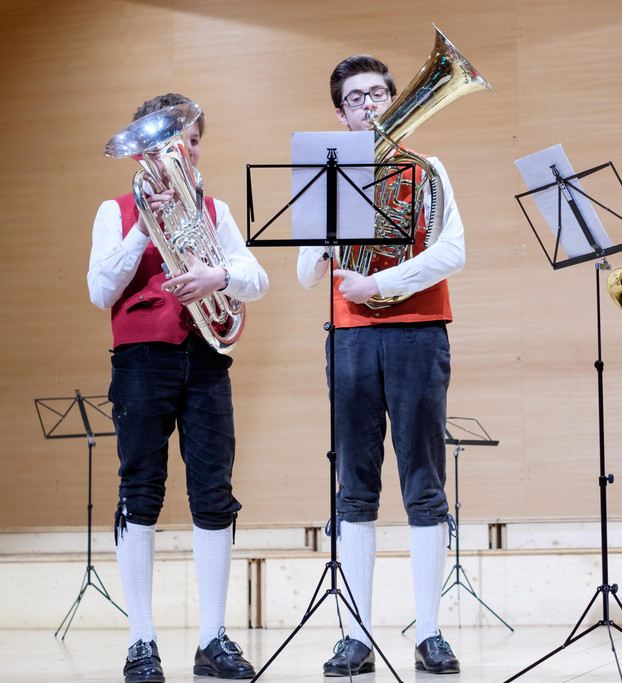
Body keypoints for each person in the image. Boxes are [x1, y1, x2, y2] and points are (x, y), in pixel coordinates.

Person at [88, 93, 268, 683]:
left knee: (214, 493)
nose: (184, 154)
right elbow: (99, 290)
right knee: (140, 491)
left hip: (207, 359)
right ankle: (141, 641)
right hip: (141, 359)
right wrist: (142, 229)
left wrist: (219, 276)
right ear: (146, 152)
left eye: (191, 142)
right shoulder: (115, 211)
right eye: (171, 144)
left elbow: (256, 278)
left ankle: (212, 639)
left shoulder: (215, 210)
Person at [296, 54, 465, 676]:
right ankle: (356, 636)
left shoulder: (428, 169)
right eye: (356, 98)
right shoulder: (329, 173)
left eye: (378, 95)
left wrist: (383, 283)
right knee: (356, 483)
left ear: (396, 101)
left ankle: (429, 632)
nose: (369, 105)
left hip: (419, 332)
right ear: (340, 114)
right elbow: (306, 273)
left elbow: (453, 251)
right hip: (351, 337)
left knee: (424, 480)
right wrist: (328, 232)